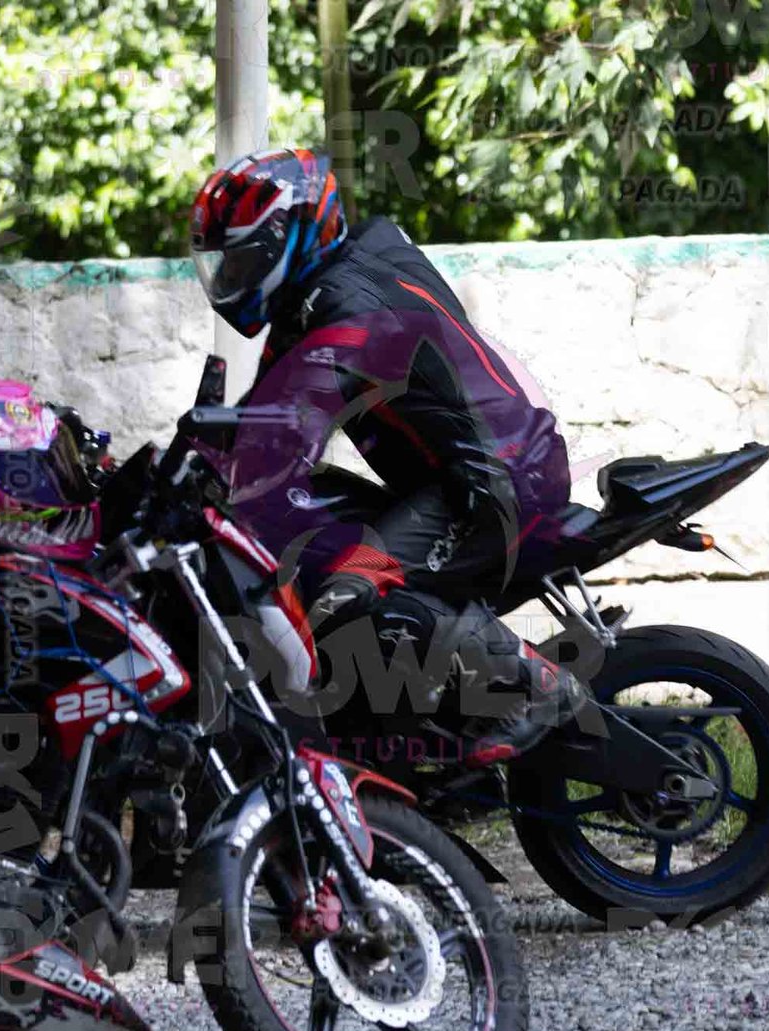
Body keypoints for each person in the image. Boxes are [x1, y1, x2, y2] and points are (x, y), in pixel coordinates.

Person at [188, 147, 589, 765]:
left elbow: (294, 421)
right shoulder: (317, 293)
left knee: (350, 588)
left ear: (291, 237)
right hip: (454, 479)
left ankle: (535, 685)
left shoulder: (349, 305)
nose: (232, 275)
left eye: (243, 258)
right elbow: (262, 415)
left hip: (496, 481)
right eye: (225, 262)